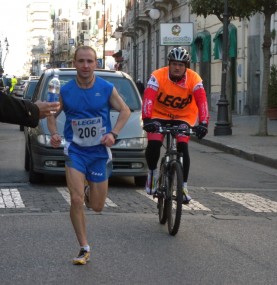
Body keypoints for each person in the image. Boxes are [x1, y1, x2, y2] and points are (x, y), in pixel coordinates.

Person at [47, 46, 130, 265]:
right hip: (75, 150)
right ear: (74, 63)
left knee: (97, 206)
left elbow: (125, 111)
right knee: (75, 200)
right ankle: (84, 247)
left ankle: (87, 190)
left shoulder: (105, 88)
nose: (85, 65)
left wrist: (113, 133)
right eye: (81, 61)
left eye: (90, 61)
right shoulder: (65, 91)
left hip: (99, 152)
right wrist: (54, 134)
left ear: (96, 64)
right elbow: (51, 114)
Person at [142, 46, 209, 204]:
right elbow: (148, 98)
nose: (177, 68)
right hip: (158, 115)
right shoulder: (157, 76)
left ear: (186, 67)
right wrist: (146, 120)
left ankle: (183, 187)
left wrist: (204, 123)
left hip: (183, 116)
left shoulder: (194, 79)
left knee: (183, 147)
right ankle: (152, 174)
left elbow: (202, 101)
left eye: (180, 65)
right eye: (174, 64)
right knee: (154, 143)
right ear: (169, 65)